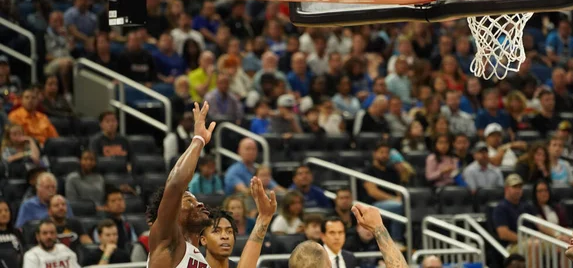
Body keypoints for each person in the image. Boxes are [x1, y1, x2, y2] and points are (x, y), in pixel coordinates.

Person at [145, 101, 277, 268]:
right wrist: (198, 140)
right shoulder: (165, 240)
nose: (199, 203)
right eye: (189, 201)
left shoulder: (198, 257)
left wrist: (263, 219)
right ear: (171, 211)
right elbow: (175, 185)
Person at [289, 204, 408, 268]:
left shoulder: (350, 258)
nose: (337, 237)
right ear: (329, 265)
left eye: (340, 232)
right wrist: (378, 228)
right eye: (332, 233)